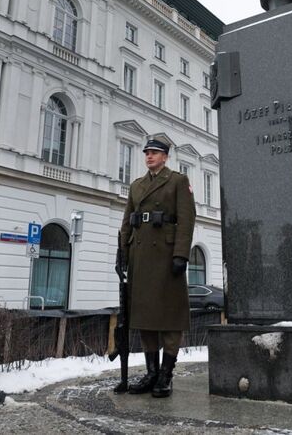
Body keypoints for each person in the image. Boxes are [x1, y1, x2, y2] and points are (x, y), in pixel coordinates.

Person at [118, 138, 197, 398]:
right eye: (147, 153)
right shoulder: (136, 186)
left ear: (165, 157)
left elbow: (186, 220)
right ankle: (151, 373)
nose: (149, 156)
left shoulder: (177, 181)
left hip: (166, 256)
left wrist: (181, 255)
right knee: (145, 317)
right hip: (141, 257)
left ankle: (165, 374)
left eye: (154, 153)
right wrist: (123, 255)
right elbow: (128, 222)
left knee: (170, 317)